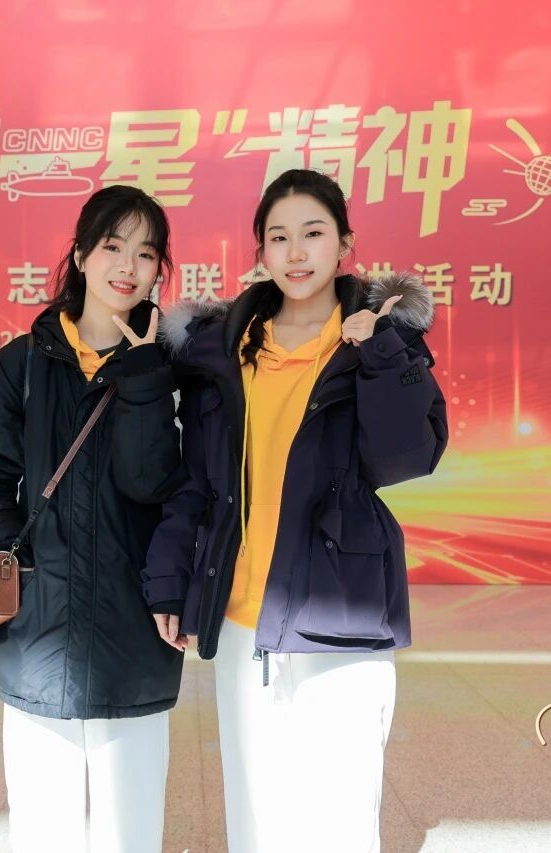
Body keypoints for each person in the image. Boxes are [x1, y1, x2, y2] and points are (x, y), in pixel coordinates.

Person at [145, 168, 448, 852]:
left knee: (340, 815)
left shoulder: (376, 339)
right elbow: (196, 483)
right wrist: (168, 582)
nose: (296, 252)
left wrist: (378, 350)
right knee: (255, 814)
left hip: (340, 606)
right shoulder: (221, 350)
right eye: (279, 237)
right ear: (261, 251)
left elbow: (406, 456)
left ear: (345, 242)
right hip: (240, 612)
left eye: (313, 232)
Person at [0, 185, 186, 853]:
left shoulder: (174, 370)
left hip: (133, 629)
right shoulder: (23, 363)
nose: (128, 266)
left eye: (146, 253)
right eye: (113, 246)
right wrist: (10, 557)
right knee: (44, 830)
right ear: (80, 255)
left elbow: (162, 484)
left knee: (128, 832)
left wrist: (145, 378)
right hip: (38, 631)